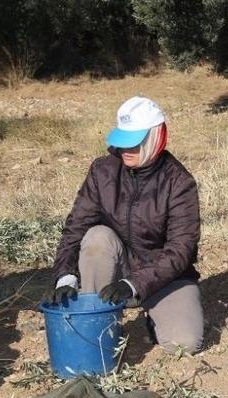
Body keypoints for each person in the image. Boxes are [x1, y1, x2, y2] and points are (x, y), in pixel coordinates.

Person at [44, 96, 204, 353]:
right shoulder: (102, 171)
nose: (126, 149)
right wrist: (65, 277)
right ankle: (99, 320)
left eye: (135, 142)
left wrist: (134, 285)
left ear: (156, 138)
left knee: (184, 343)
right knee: (97, 237)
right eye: (123, 140)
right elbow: (75, 227)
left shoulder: (179, 182)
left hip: (165, 277)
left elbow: (180, 250)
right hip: (117, 269)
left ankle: (152, 314)